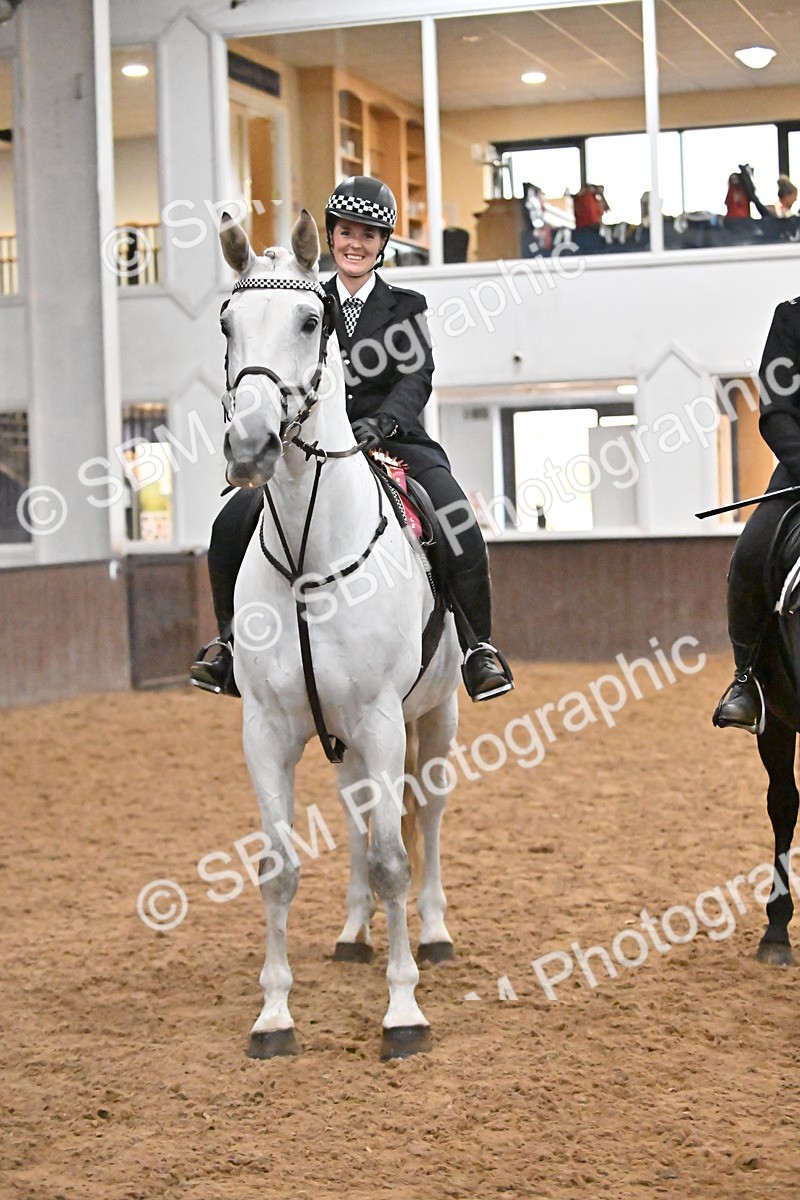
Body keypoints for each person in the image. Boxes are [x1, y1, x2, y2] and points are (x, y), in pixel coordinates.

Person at [190, 175, 514, 703]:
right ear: (331, 237)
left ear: (383, 243)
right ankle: (229, 644)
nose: (355, 243)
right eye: (345, 232)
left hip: (396, 441)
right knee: (230, 524)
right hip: (313, 447)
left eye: (368, 234)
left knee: (456, 518)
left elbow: (417, 377)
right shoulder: (303, 301)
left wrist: (382, 423)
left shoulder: (405, 305)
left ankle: (478, 647)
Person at [713, 295, 800, 733]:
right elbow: (777, 412)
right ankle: (746, 681)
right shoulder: (793, 317)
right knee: (751, 552)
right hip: (799, 472)